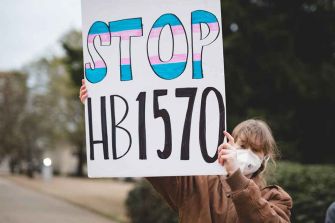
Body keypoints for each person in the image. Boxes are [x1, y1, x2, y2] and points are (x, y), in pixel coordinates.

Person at [79, 79, 292, 222]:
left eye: (256, 150)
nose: (247, 153)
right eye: (243, 146)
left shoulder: (277, 198)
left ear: (265, 157)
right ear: (230, 143)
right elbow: (149, 155)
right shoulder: (197, 181)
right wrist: (98, 106)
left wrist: (236, 178)